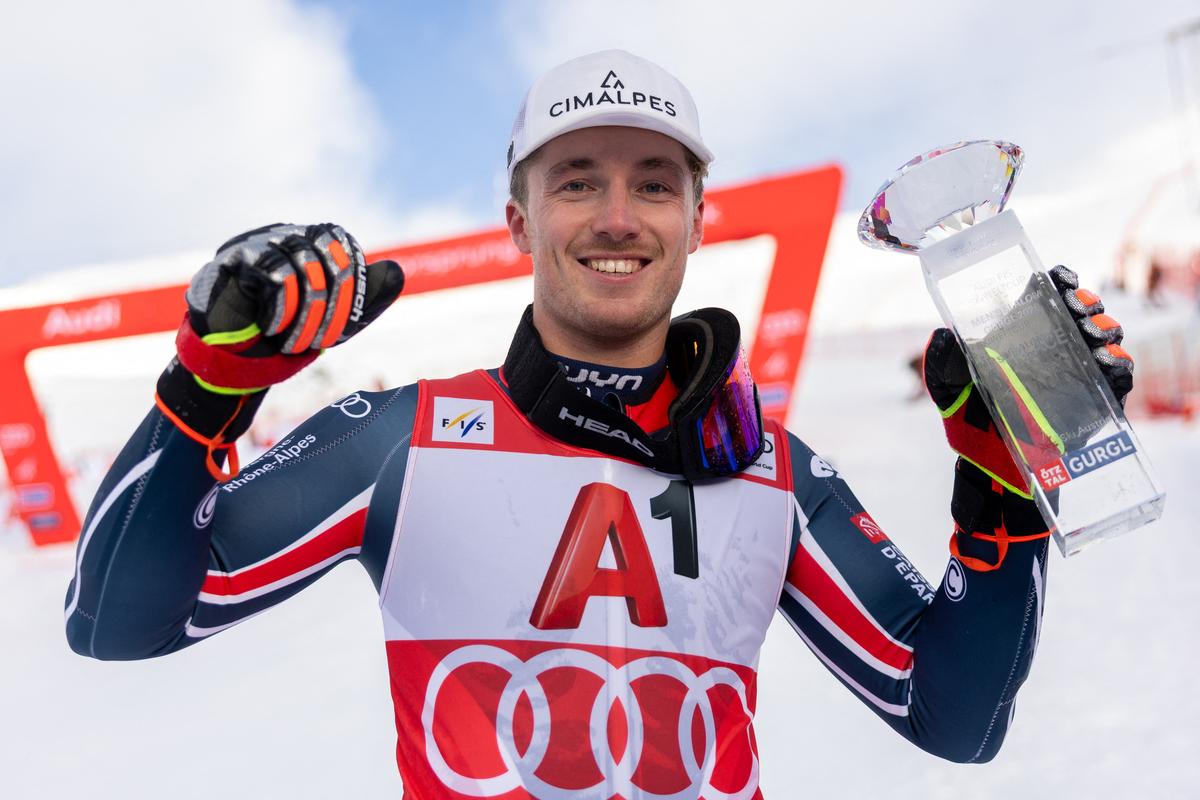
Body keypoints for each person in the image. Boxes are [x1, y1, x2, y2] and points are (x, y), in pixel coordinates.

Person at [65, 50, 1134, 799]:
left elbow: (952, 716)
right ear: (521, 219)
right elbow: (119, 619)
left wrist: (1003, 491)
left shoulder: (772, 469)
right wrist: (207, 389)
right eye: (578, 181)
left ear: (697, 220)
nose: (618, 216)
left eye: (654, 184)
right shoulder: (402, 437)